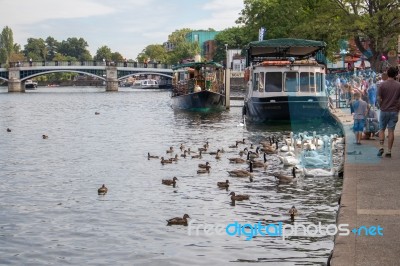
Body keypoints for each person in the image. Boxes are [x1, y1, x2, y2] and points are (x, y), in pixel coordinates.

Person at [377, 67, 400, 157]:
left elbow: (379, 98)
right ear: (395, 75)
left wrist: (381, 105)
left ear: (387, 74)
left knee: (382, 129)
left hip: (384, 110)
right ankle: (389, 151)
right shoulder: (398, 85)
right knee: (391, 131)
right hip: (394, 110)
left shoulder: (382, 85)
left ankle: (381, 146)